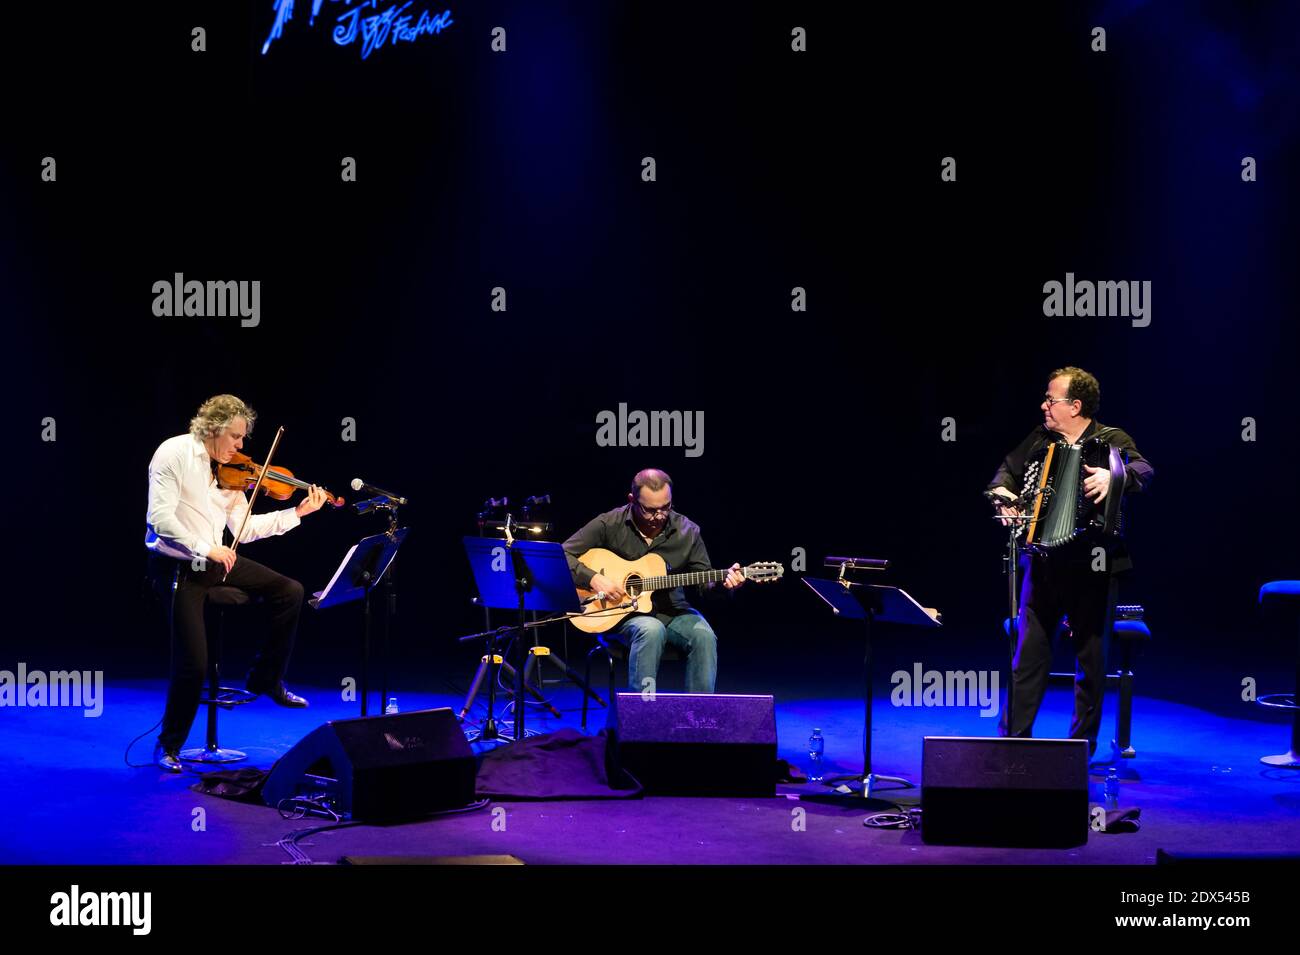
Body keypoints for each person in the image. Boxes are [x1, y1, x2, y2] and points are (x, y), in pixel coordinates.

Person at [145, 394, 329, 772]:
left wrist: (298, 511)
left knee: (289, 590)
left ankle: (267, 679)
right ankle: (168, 745)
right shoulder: (174, 453)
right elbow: (160, 519)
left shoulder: (231, 471)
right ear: (213, 428)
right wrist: (206, 547)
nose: (242, 446)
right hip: (179, 567)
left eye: (243, 438)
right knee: (193, 665)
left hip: (217, 563)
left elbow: (246, 531)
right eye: (236, 437)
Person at [987, 367, 1153, 756]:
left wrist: (1117, 477)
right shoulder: (1040, 439)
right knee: (1028, 655)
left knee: (1091, 662)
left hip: (1094, 566)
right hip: (1043, 564)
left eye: (1051, 399)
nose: (1044, 405)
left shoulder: (1110, 440)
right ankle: (1013, 741)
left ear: (1075, 406)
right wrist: (1003, 498)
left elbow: (1145, 470)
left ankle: (1080, 748)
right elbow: (1004, 475)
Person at [563, 469, 744, 693]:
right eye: (649, 510)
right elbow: (562, 555)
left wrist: (723, 584)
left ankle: (698, 718)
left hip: (673, 612)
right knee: (651, 629)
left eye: (665, 508)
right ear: (632, 500)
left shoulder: (688, 531)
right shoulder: (608, 524)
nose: (658, 516)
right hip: (621, 614)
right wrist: (594, 579)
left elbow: (703, 583)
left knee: (703, 635)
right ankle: (639, 719)